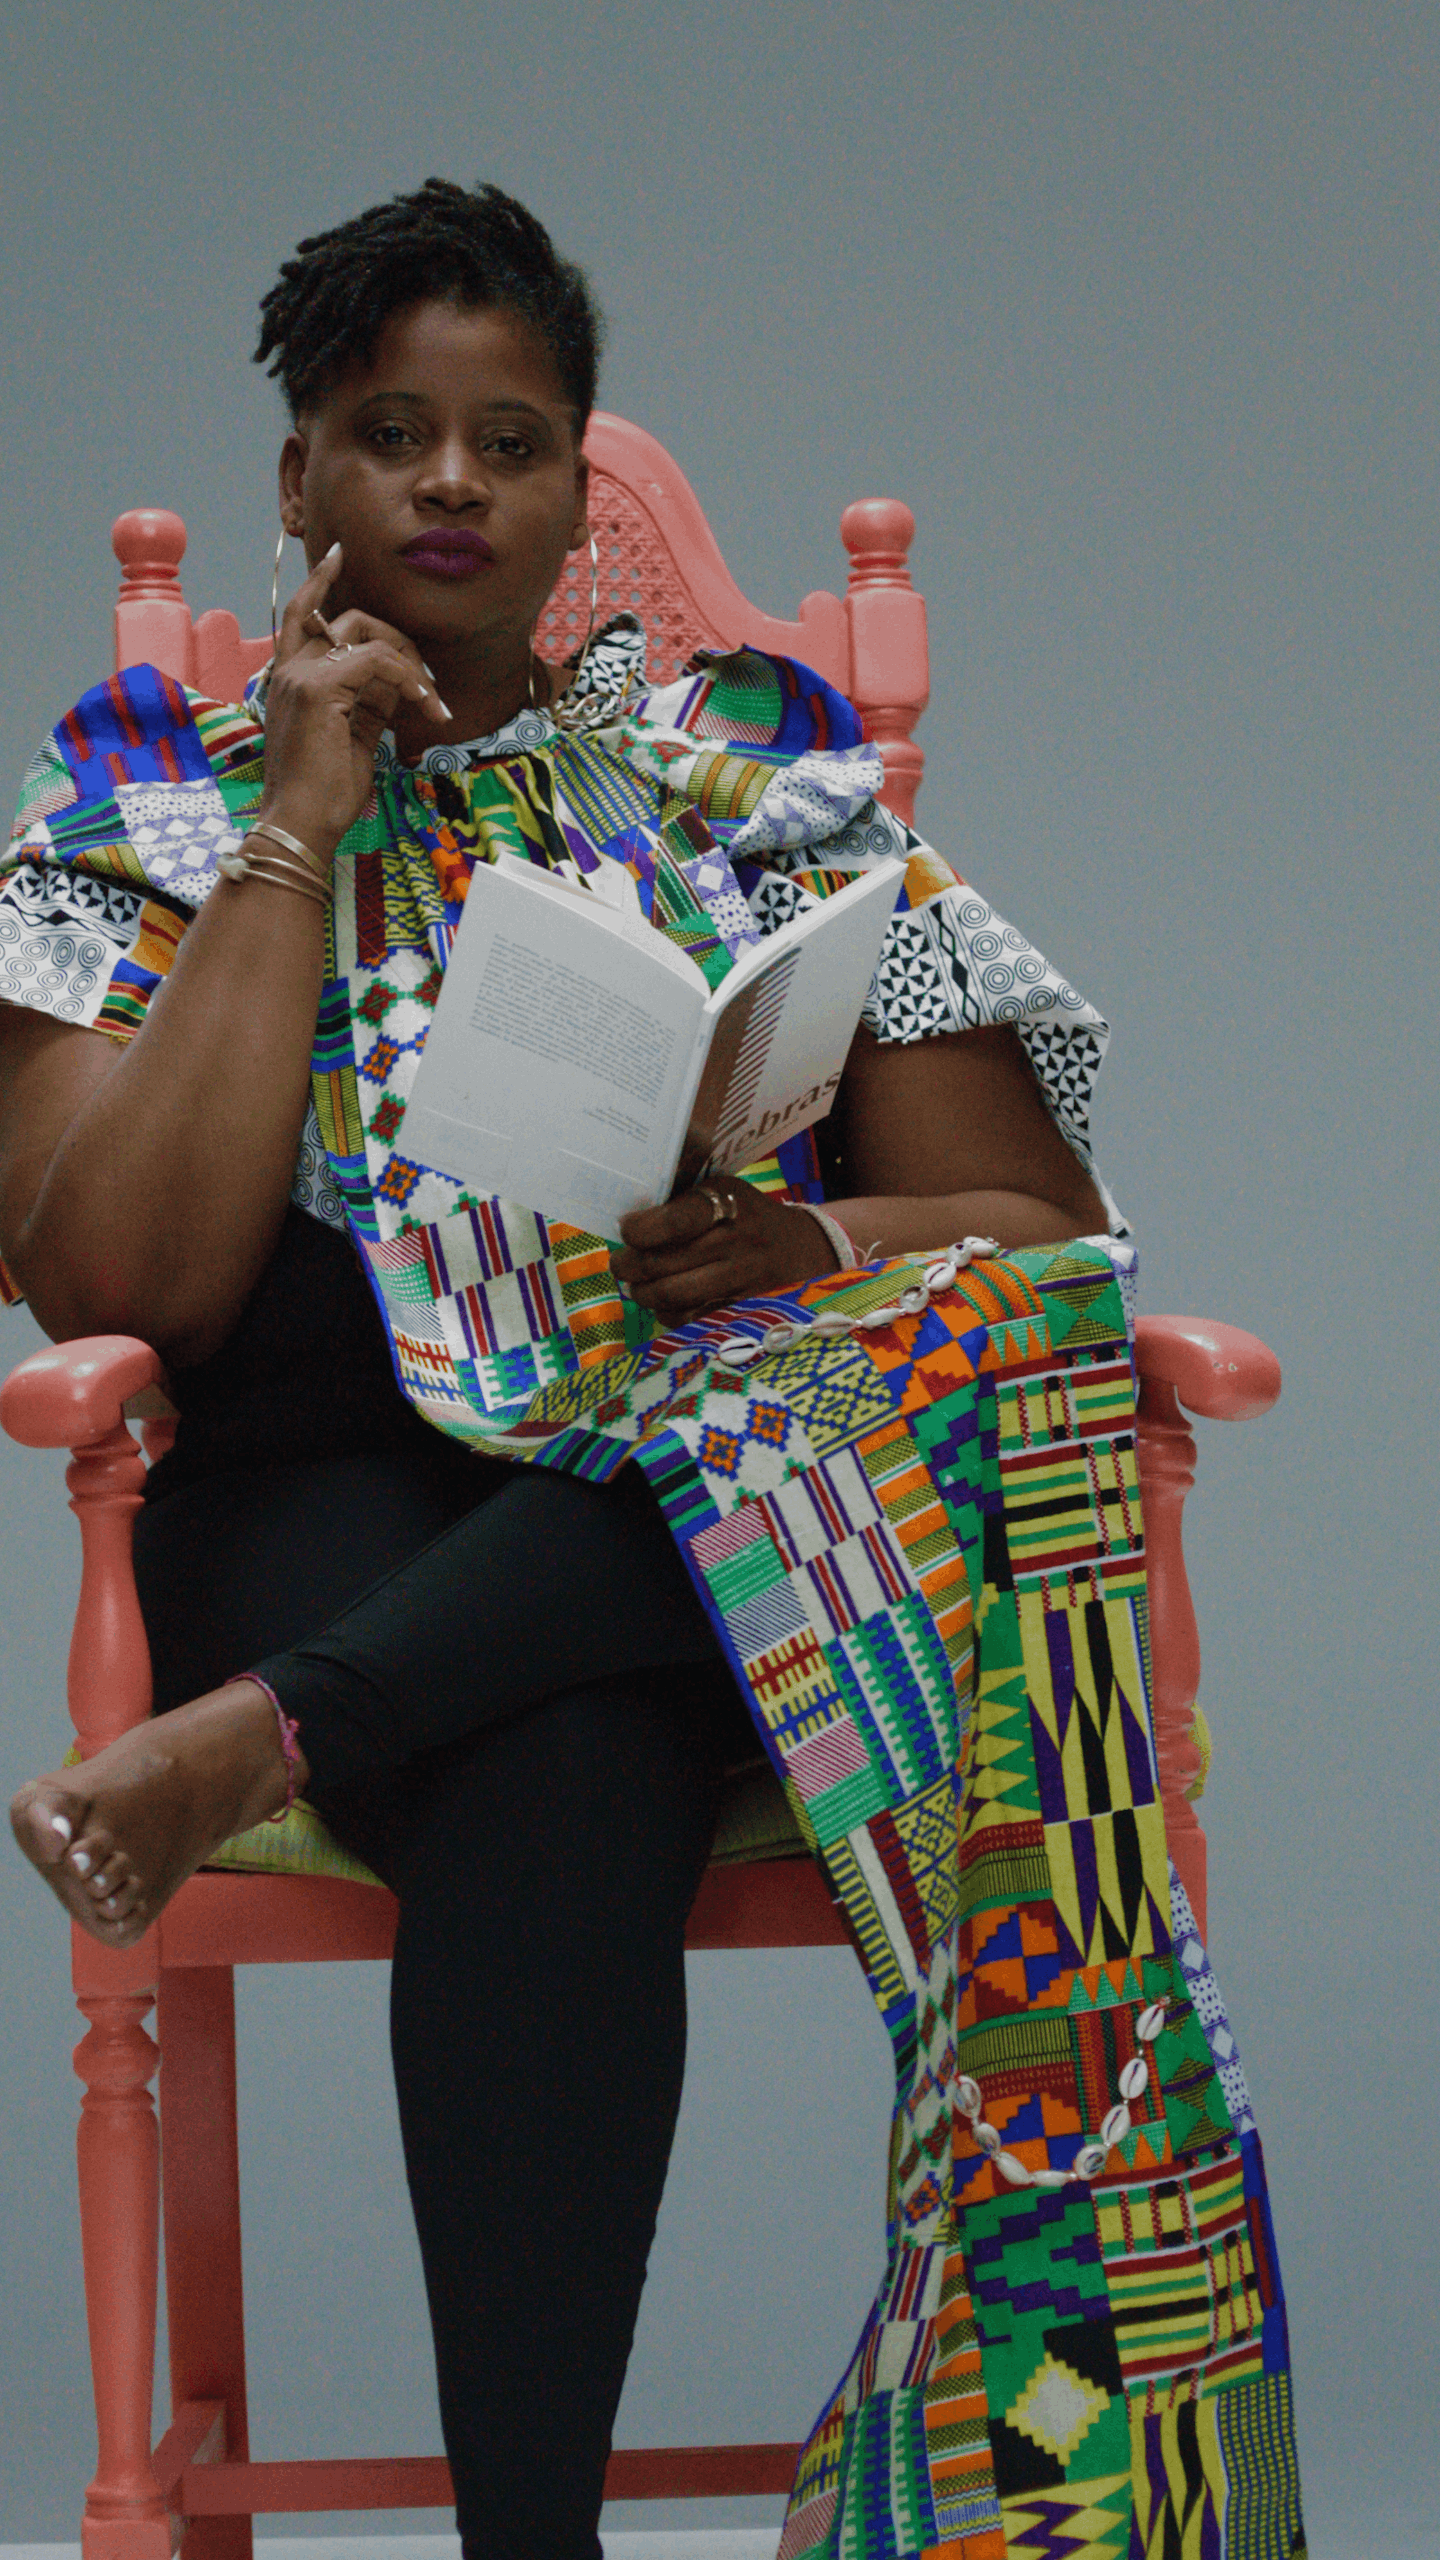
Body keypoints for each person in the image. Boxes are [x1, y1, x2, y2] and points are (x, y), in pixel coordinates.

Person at [1, 182, 1303, 2560]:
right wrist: (298, 822)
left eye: (511, 438)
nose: (452, 484)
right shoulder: (136, 798)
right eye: (389, 432)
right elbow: (125, 1282)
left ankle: (272, 1736)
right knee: (567, 1743)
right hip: (318, 1483)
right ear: (298, 478)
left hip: (703, 1491)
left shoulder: (749, 785)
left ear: (579, 477)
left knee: (674, 1588)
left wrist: (806, 1230)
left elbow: (1040, 1252)